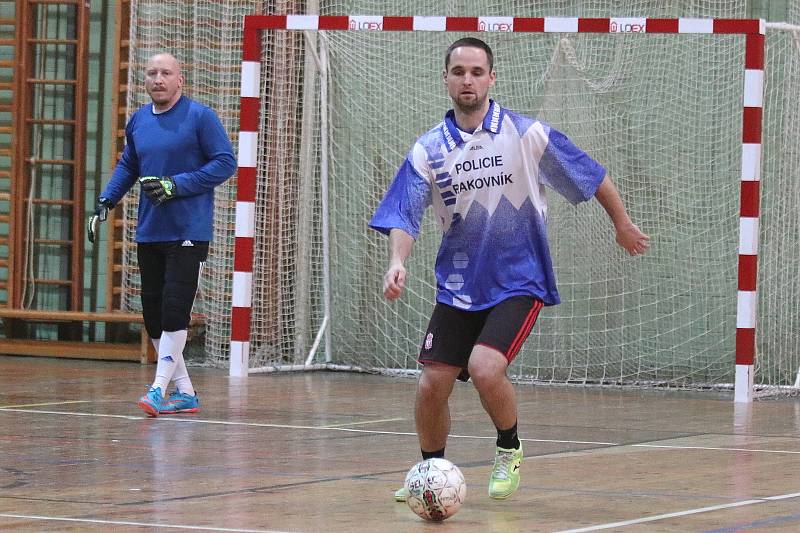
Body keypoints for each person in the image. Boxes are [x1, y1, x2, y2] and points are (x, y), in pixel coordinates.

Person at [369, 38, 650, 501]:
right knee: (431, 383)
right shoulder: (428, 150)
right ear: (445, 79)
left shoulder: (526, 135)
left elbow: (592, 174)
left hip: (519, 279)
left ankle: (509, 448)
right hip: (459, 284)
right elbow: (404, 213)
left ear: (491, 79)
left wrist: (621, 223)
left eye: (477, 71)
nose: (467, 79)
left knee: (484, 367)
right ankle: (429, 474)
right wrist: (397, 262)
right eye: (458, 71)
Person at [87, 53, 236, 417]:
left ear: (180, 80)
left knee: (174, 309)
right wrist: (107, 200)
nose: (158, 79)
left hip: (188, 231)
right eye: (152, 73)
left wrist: (176, 185)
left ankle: (157, 389)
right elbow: (129, 165)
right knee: (153, 315)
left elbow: (225, 162)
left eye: (166, 73)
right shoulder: (138, 120)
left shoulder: (200, 117)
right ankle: (184, 391)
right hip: (150, 231)